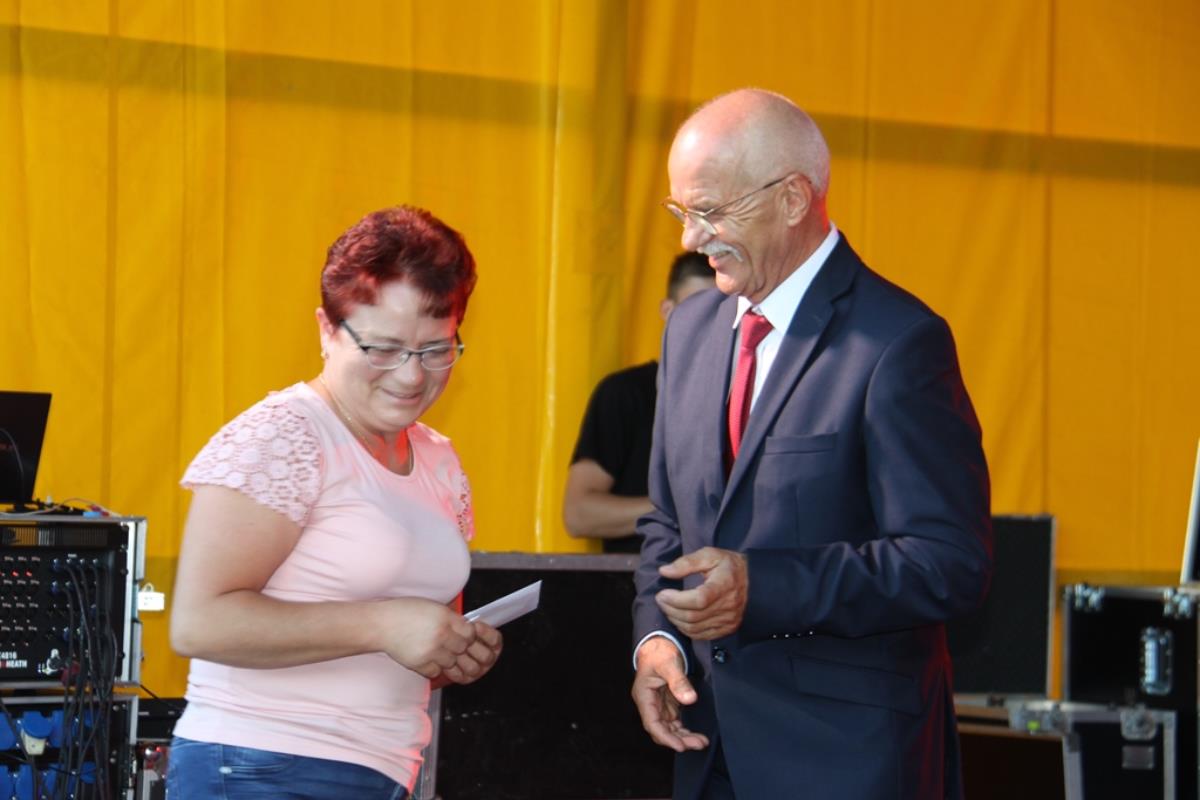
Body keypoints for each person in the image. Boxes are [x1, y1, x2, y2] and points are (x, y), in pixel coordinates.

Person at [630, 89, 993, 800]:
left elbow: (949, 562)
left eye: (711, 211)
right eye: (681, 213)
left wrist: (763, 587)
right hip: (707, 752)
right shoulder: (690, 333)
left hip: (844, 762)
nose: (691, 239)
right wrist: (658, 643)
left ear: (793, 198)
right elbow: (667, 524)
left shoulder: (897, 342)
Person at [167, 206, 503, 800]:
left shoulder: (438, 458)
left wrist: (451, 651)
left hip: (382, 769)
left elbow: (410, 641)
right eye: (384, 348)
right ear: (327, 329)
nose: (411, 376)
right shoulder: (283, 436)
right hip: (260, 765)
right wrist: (385, 624)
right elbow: (199, 622)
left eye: (436, 350)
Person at [563, 252, 715, 553]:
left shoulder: (749, 397)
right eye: (694, 311)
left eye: (720, 314)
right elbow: (578, 514)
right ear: (667, 310)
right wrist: (678, 510)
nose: (707, 326)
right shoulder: (625, 394)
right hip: (636, 578)